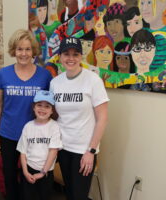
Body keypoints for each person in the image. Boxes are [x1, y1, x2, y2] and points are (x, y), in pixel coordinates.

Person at [0, 29, 52, 200]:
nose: (23, 53)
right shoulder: (3, 74)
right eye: (19, 49)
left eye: (27, 49)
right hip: (8, 133)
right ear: (14, 51)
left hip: (35, 135)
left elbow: (50, 106)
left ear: (33, 51)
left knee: (32, 176)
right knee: (9, 176)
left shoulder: (44, 75)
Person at [50, 37, 109, 200]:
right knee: (69, 192)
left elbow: (102, 118)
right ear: (60, 57)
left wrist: (91, 151)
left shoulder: (93, 80)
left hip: (83, 150)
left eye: (75, 54)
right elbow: (55, 115)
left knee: (79, 195)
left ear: (81, 56)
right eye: (66, 54)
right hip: (63, 147)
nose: (71, 58)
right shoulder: (55, 83)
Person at [17, 90, 62, 200]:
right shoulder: (28, 126)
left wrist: (43, 172)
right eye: (39, 105)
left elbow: (53, 151)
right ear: (34, 107)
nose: (42, 109)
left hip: (45, 172)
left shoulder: (54, 127)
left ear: (52, 110)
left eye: (47, 106)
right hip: (28, 170)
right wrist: (25, 172)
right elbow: (23, 152)